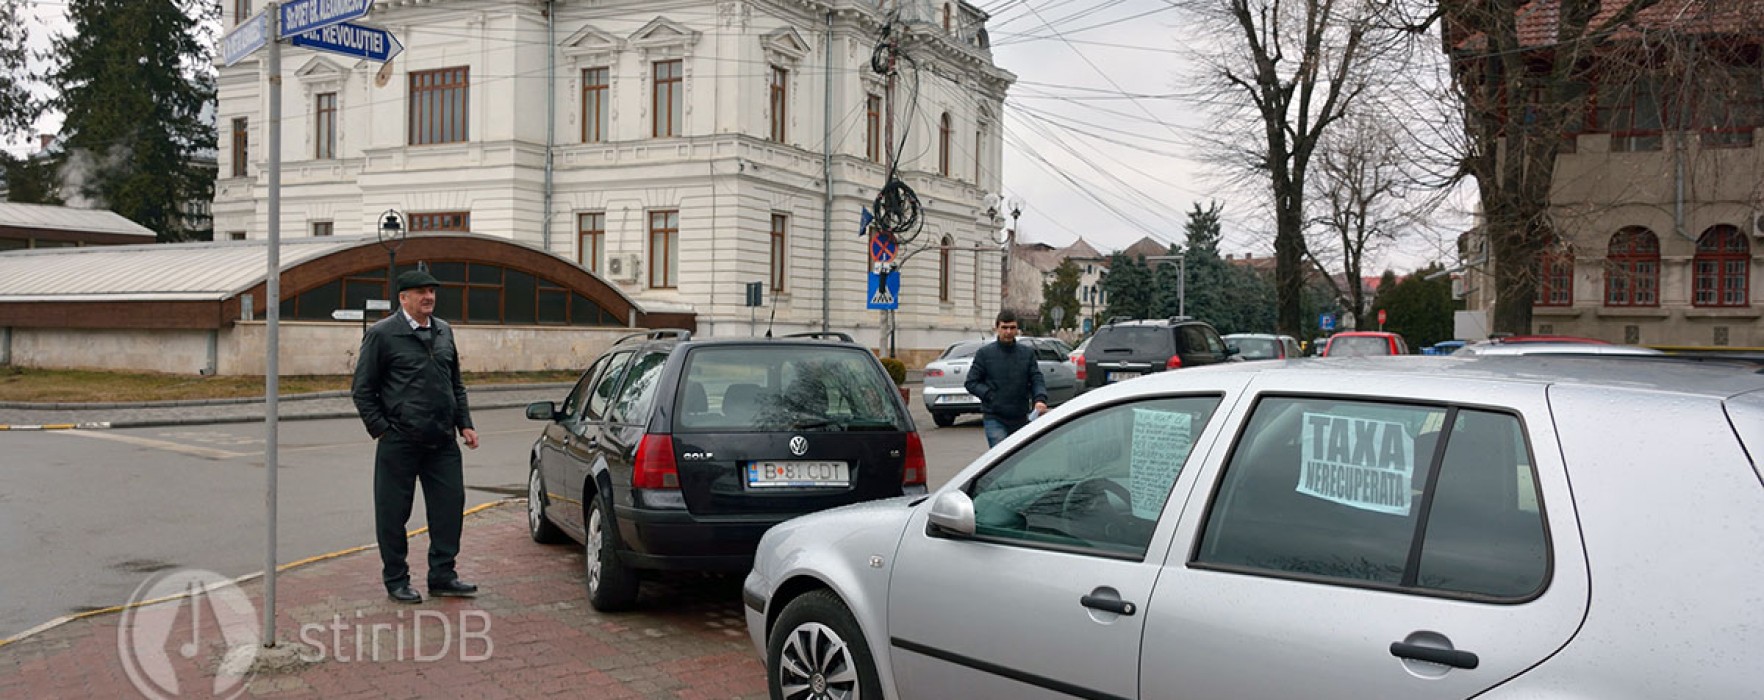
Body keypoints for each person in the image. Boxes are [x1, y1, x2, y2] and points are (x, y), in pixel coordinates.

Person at [351, 269, 481, 604]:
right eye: (421, 292)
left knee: (450, 510)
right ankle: (396, 579)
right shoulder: (382, 334)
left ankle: (443, 575)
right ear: (403, 298)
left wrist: (464, 423)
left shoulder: (444, 331)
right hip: (400, 441)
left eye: (432, 292)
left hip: (442, 441)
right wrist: (382, 429)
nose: (429, 297)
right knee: (393, 514)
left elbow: (456, 383)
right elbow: (363, 390)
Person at [964, 310, 1048, 447]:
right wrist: (990, 395)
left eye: (1012, 328)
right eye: (1004, 327)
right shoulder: (985, 354)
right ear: (997, 328)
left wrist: (1040, 399)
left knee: (1018, 457)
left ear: (1017, 329)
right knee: (1001, 454)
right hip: (994, 417)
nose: (1008, 332)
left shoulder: (1027, 354)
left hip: (1020, 416)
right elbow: (971, 382)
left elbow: (1036, 378)